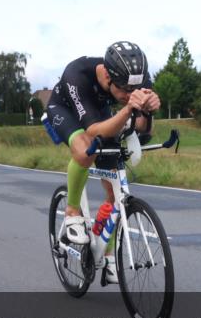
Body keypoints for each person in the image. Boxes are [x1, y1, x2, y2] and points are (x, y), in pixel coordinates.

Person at [44, 41, 160, 283]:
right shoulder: (78, 73)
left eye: (134, 89)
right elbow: (96, 130)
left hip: (100, 111)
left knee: (115, 193)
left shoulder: (138, 79)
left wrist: (148, 111)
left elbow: (141, 128)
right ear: (108, 76)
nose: (130, 93)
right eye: (124, 90)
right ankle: (73, 210)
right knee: (87, 150)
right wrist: (129, 108)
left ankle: (108, 256)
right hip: (65, 110)